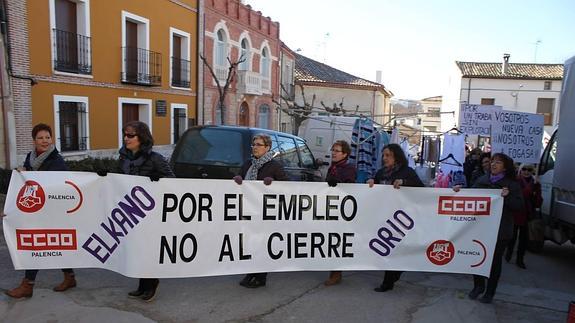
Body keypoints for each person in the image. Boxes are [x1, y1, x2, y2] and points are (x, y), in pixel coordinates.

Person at [4, 123, 77, 299]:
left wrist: (28, 173)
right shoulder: (30, 157)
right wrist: (23, 172)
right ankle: (69, 277)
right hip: (36, 208)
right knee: (45, 244)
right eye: (40, 138)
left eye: (47, 137)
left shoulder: (56, 160)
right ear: (34, 140)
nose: (45, 141)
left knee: (40, 244)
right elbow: (25, 184)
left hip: (52, 210)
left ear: (52, 139)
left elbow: (58, 185)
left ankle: (28, 285)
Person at [115, 121, 174, 302]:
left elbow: (172, 180)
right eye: (125, 134)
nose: (126, 138)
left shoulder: (155, 158)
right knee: (137, 248)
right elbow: (116, 179)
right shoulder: (123, 158)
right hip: (130, 210)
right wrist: (104, 176)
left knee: (148, 249)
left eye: (131, 135)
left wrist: (158, 180)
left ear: (141, 138)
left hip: (150, 212)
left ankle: (151, 283)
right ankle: (142, 285)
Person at [457, 153, 523, 304]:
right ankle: (478, 286)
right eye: (492, 161)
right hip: (481, 228)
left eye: (498, 162)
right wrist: (459, 190)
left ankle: (490, 292)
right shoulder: (482, 180)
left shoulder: (512, 184)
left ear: (505, 167)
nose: (493, 164)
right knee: (477, 256)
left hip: (501, 230)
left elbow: (519, 206)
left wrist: (507, 197)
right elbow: (470, 196)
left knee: (494, 262)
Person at [233, 134, 288, 288]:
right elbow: (240, 178)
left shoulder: (274, 166)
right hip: (249, 210)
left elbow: (286, 187)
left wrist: (274, 184)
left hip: (265, 212)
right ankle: (251, 272)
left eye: (258, 145)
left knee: (261, 244)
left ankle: (261, 277)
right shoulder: (248, 164)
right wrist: (237, 178)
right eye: (253, 144)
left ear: (267, 148)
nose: (255, 147)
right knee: (250, 243)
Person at [367, 143, 424, 292]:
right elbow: (374, 188)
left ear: (397, 157)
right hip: (385, 215)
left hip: (402, 217)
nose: (384, 158)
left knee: (397, 249)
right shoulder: (380, 173)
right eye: (383, 155)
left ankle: (390, 279)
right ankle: (390, 279)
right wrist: (371, 182)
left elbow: (422, 189)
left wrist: (405, 183)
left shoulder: (407, 172)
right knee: (389, 249)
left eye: (388, 155)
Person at [323, 140, 357, 286]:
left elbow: (349, 187)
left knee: (337, 241)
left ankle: (336, 273)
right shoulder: (333, 167)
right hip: (331, 208)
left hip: (343, 210)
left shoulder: (349, 168)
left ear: (345, 154)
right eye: (333, 150)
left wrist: (336, 182)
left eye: (337, 151)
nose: (333, 153)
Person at [505, 164, 542, 269]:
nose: (526, 171)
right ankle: (509, 252)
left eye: (529, 169)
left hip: (527, 214)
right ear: (520, 171)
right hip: (515, 213)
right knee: (512, 236)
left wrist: (537, 191)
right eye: (524, 169)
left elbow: (538, 202)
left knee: (524, 239)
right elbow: (522, 195)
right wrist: (532, 187)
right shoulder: (516, 181)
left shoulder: (535, 183)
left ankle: (520, 259)